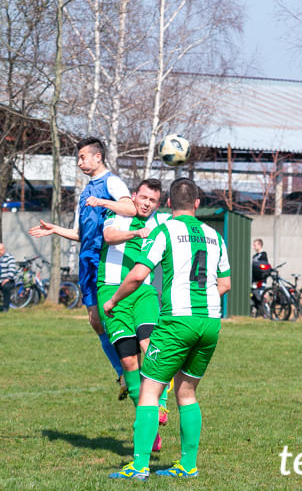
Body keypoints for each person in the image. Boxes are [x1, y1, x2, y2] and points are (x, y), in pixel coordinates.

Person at [104, 178, 230, 480]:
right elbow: (224, 284)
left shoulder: (165, 231)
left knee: (149, 390)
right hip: (211, 322)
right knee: (187, 393)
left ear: (170, 203)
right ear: (197, 204)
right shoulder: (216, 236)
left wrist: (112, 301)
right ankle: (188, 465)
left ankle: (139, 465)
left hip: (177, 323)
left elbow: (138, 274)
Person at [28, 137, 136, 395]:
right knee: (94, 320)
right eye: (78, 158)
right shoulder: (86, 190)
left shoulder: (111, 182)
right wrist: (55, 230)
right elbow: (80, 233)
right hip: (86, 258)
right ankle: (122, 372)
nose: (79, 162)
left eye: (82, 157)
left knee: (114, 318)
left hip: (104, 258)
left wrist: (103, 203)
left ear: (98, 157)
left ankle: (136, 370)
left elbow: (130, 207)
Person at [98, 179, 171, 451]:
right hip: (110, 290)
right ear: (133, 196)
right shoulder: (116, 214)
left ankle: (160, 406)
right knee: (129, 361)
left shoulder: (161, 221)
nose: (146, 204)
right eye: (143, 198)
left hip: (143, 292)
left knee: (149, 346)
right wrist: (138, 234)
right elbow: (109, 237)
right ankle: (148, 426)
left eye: (152, 200)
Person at [0, 242, 18, 312]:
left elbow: (12, 269)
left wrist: (7, 279)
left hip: (8, 280)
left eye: (0, 250)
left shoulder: (9, 257)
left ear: (4, 250)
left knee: (6, 287)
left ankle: (5, 307)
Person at [250, 238, 270, 316]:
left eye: (255, 245)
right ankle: (259, 313)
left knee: (262, 296)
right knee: (255, 296)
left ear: (260, 245)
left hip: (261, 281)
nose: (253, 247)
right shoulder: (254, 256)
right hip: (254, 281)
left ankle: (267, 313)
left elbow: (264, 268)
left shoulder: (263, 255)